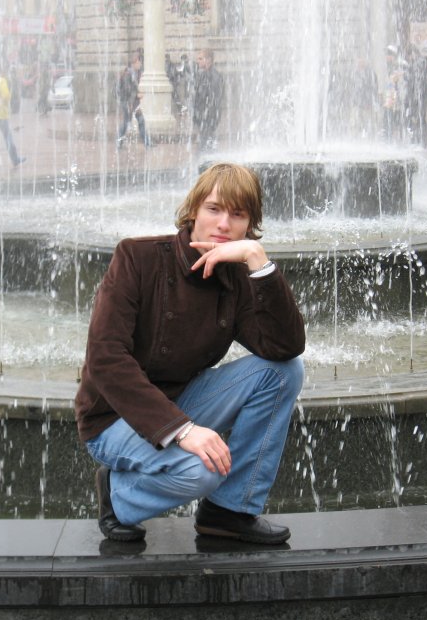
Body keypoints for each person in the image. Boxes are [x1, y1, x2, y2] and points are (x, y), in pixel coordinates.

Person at [76, 162, 306, 544]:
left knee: (284, 372)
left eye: (238, 215)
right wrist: (182, 431)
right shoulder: (138, 257)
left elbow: (284, 348)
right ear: (194, 210)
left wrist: (258, 261)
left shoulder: (237, 277)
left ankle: (230, 511)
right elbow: (106, 357)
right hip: (114, 418)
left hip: (181, 402)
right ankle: (117, 495)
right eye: (214, 209)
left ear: (249, 224)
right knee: (205, 471)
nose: (223, 224)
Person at [192, 48, 224, 151]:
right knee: (207, 143)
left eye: (200, 59)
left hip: (209, 117)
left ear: (208, 60)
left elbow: (214, 99)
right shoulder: (202, 75)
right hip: (202, 116)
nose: (198, 61)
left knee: (204, 144)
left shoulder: (215, 76)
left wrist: (207, 115)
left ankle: (205, 158)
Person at [116, 52, 148, 148]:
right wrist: (137, 96)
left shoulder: (135, 73)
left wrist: (137, 96)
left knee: (140, 120)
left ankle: (147, 142)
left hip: (133, 102)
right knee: (126, 122)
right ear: (134, 62)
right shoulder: (128, 73)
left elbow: (132, 89)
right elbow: (127, 90)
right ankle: (118, 142)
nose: (141, 64)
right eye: (139, 62)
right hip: (128, 103)